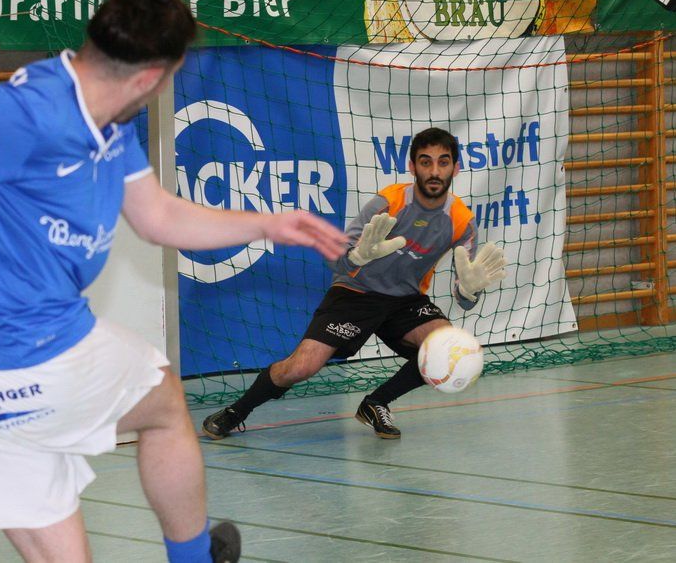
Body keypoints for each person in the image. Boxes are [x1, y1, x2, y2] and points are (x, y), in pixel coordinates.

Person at [0, 0, 348, 563]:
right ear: (147, 78)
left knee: (162, 399)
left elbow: (158, 216)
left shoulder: (104, 115)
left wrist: (266, 223)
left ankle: (191, 556)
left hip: (50, 341)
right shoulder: (26, 114)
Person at [202, 127, 507, 441]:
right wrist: (357, 256)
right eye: (425, 162)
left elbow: (465, 299)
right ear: (412, 166)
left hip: (405, 300)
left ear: (455, 168)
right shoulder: (389, 201)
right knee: (301, 367)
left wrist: (469, 290)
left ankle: (376, 403)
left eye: (443, 162)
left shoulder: (461, 220)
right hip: (355, 292)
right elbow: (337, 258)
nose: (434, 171)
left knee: (447, 346)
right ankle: (236, 411)